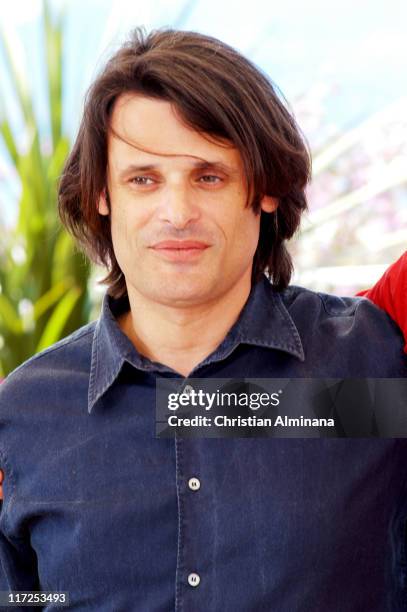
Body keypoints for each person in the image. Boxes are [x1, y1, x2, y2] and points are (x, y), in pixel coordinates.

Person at [0, 28, 406, 612]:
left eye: (208, 176)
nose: (177, 212)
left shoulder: (372, 365)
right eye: (143, 180)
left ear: (265, 188)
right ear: (101, 197)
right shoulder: (27, 417)